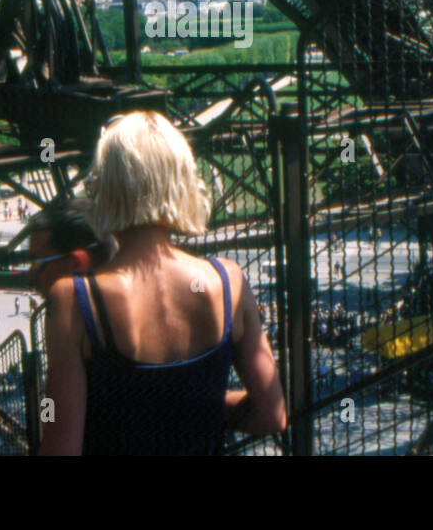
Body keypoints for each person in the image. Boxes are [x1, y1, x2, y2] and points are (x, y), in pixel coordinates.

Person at [40, 110, 286, 455]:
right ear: (181, 179)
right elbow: (272, 415)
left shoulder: (74, 299)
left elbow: (59, 450)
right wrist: (202, 407)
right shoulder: (228, 281)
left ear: (104, 186)